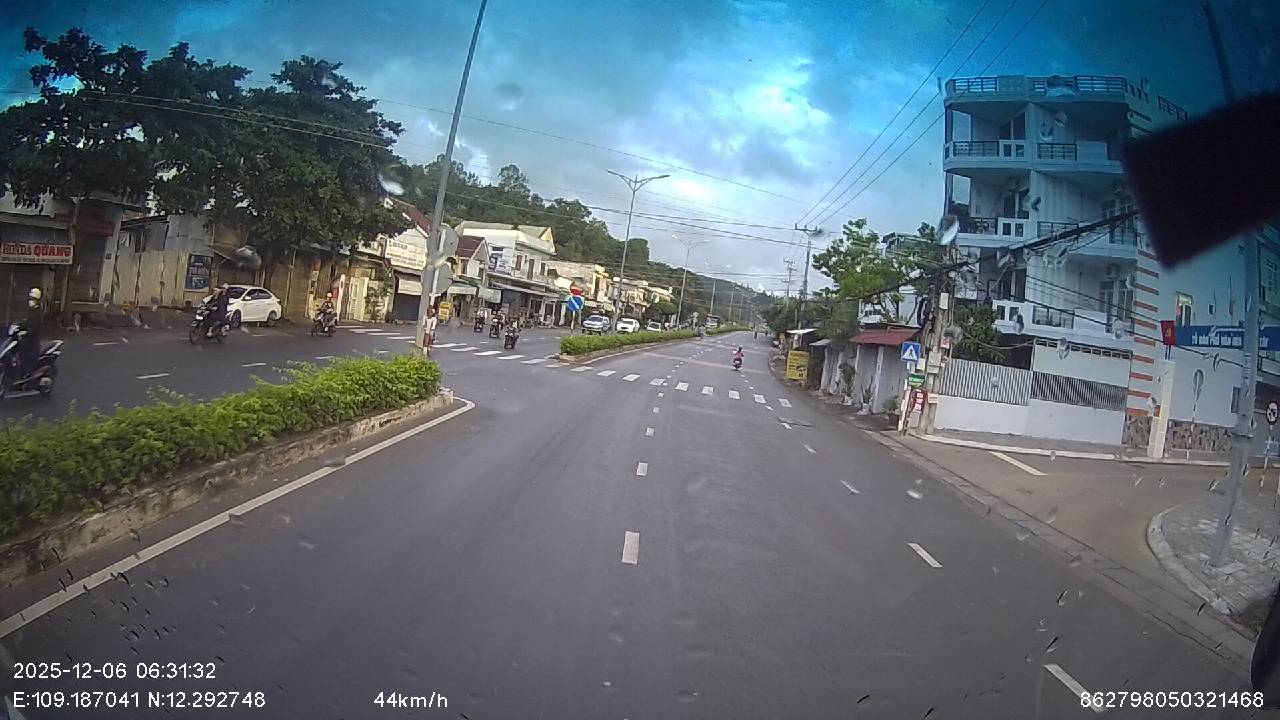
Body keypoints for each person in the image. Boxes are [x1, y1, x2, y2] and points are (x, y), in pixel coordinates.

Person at [14, 287, 43, 377]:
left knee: (25, 357)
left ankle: (27, 375)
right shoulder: (31, 311)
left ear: (36, 301)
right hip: (27, 338)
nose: (30, 301)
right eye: (29, 299)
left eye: (32, 299)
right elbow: (27, 322)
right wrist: (18, 326)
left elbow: (33, 329)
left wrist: (25, 332)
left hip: (32, 341)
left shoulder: (38, 313)